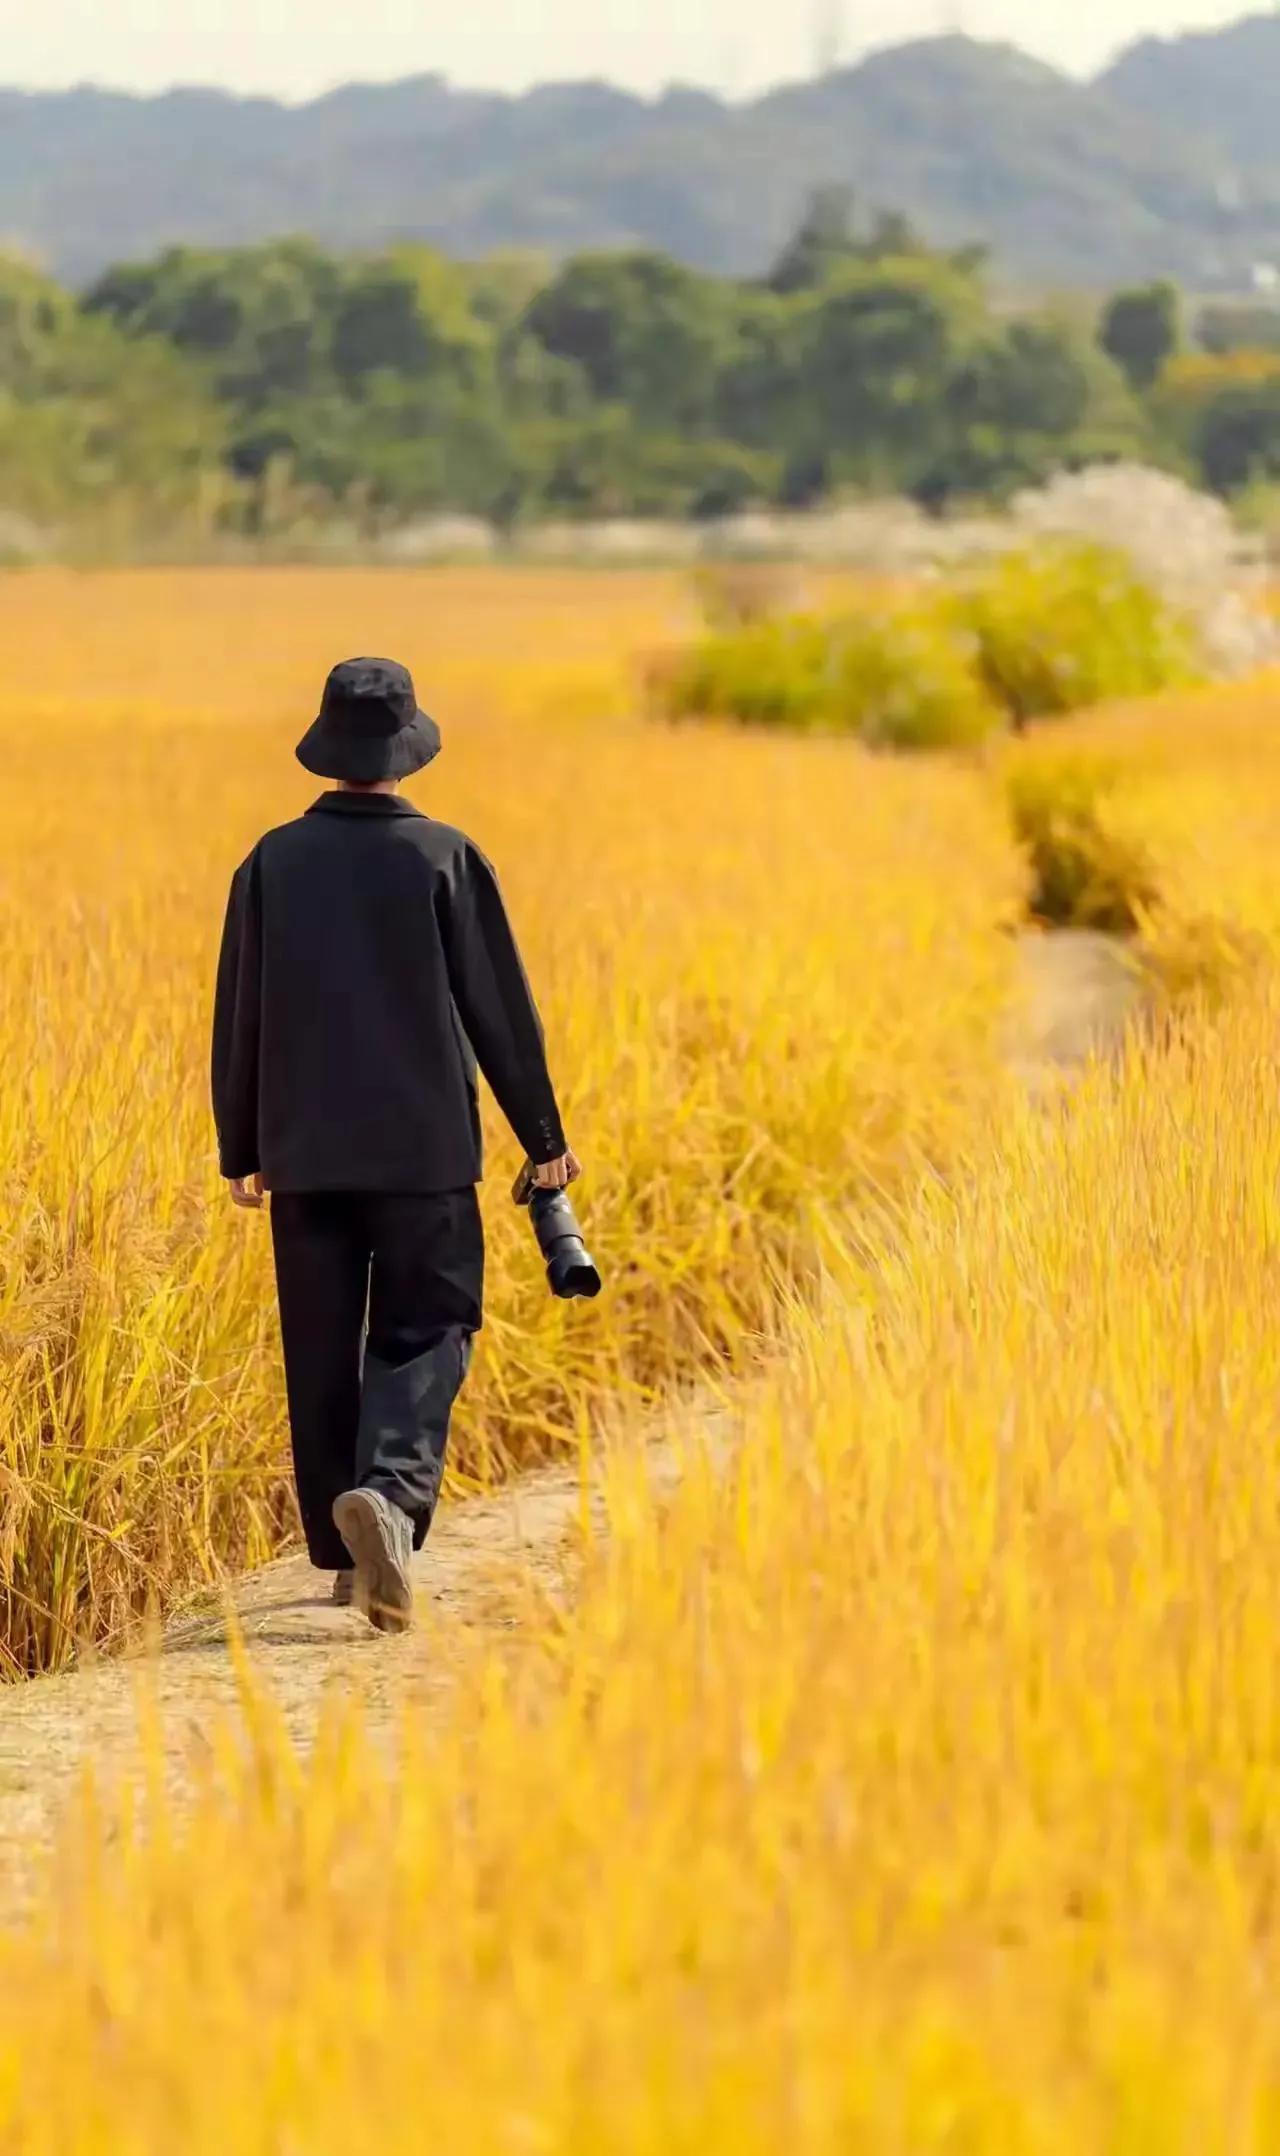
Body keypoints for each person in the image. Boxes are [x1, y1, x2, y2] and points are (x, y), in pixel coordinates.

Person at [211, 656, 579, 1633]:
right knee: (433, 1321)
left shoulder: (270, 862)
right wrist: (542, 1137)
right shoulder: (444, 856)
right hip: (422, 1155)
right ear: (406, 748)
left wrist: (237, 1143)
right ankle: (389, 1497)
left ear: (329, 747)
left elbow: (240, 1008)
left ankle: (343, 1556)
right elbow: (499, 1010)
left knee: (321, 1345)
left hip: (304, 1153)